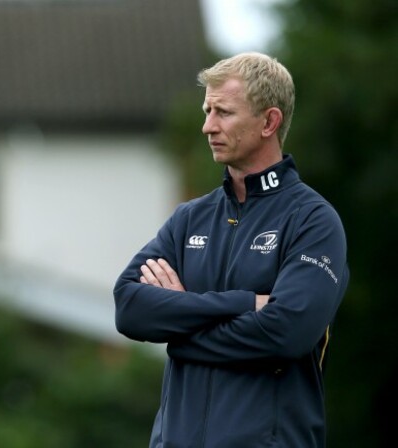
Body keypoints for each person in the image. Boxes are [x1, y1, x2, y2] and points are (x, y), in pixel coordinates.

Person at [114, 52, 349, 448]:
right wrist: (243, 303)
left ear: (269, 122)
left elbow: (286, 334)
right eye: (207, 110)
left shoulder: (313, 221)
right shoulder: (189, 218)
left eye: (223, 112)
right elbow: (129, 308)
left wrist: (180, 325)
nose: (208, 126)